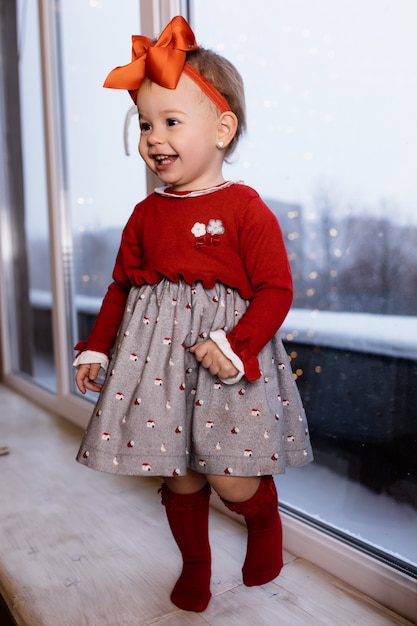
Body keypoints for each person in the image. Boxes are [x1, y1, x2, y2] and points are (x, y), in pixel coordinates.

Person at [74, 15, 313, 613]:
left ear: (223, 128)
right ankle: (196, 563)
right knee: (178, 472)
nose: (154, 138)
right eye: (146, 124)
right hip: (155, 367)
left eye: (171, 121)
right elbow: (122, 288)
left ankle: (262, 522)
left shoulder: (244, 208)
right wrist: (98, 346)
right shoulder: (145, 214)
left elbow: (276, 289)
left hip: (225, 362)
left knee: (230, 475)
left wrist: (237, 344)